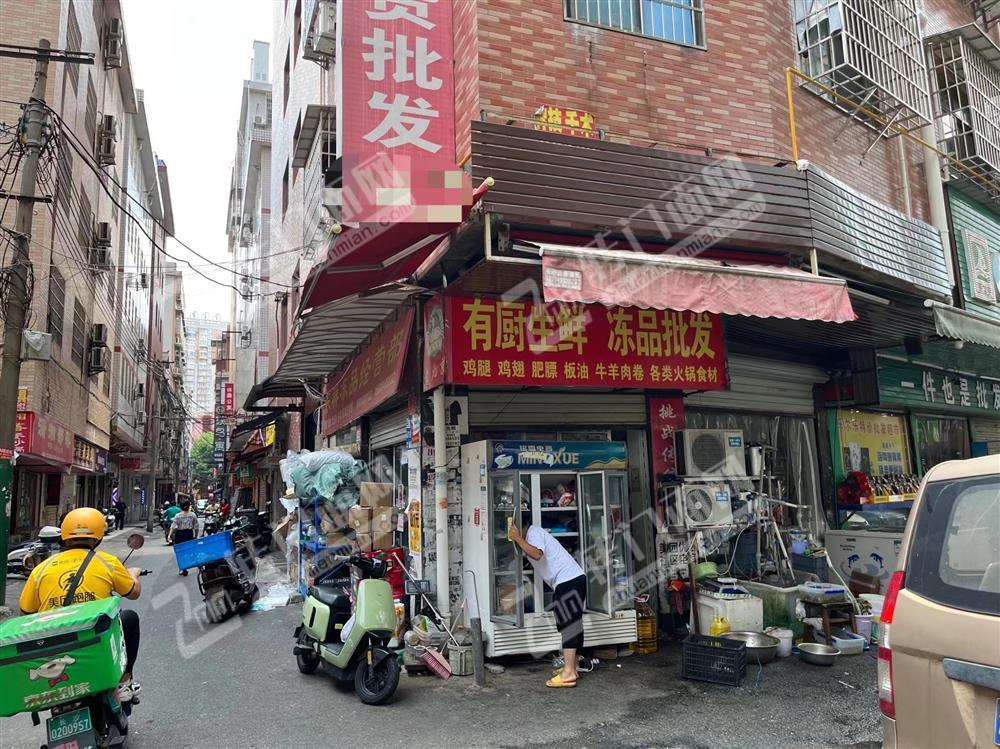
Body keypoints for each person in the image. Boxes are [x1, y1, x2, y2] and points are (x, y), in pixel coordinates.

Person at [19, 508, 143, 702]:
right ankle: (124, 681)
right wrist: (133, 574)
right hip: (93, 639)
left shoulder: (40, 570)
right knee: (129, 618)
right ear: (99, 537)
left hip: (53, 645)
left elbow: (26, 613)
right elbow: (133, 593)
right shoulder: (106, 561)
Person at [508, 514, 587, 688]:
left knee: (568, 625)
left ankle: (568, 673)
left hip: (568, 580)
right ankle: (572, 667)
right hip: (571, 580)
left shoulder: (534, 533)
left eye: (512, 526)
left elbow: (536, 554)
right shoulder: (531, 536)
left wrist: (518, 538)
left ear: (521, 525)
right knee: (571, 624)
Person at [167, 500, 198, 575]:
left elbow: (173, 527)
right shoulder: (193, 515)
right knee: (187, 551)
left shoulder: (178, 515)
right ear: (189, 507)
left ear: (181, 507)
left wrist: (169, 536)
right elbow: (196, 527)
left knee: (180, 552)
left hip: (180, 534)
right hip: (189, 534)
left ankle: (182, 568)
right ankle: (185, 567)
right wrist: (195, 537)